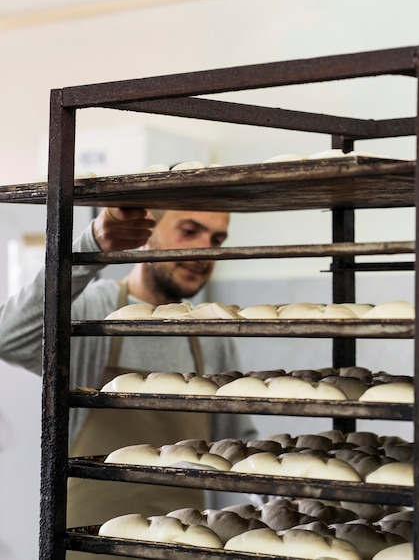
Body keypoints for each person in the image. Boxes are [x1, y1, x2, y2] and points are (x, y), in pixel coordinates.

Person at [0, 206, 257, 558]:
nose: (204, 251)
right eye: (189, 231)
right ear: (146, 232)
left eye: (216, 240)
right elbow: (8, 338)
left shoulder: (212, 333)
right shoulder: (93, 310)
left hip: (182, 544)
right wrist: (91, 247)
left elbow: (236, 442)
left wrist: (294, 492)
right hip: (88, 543)